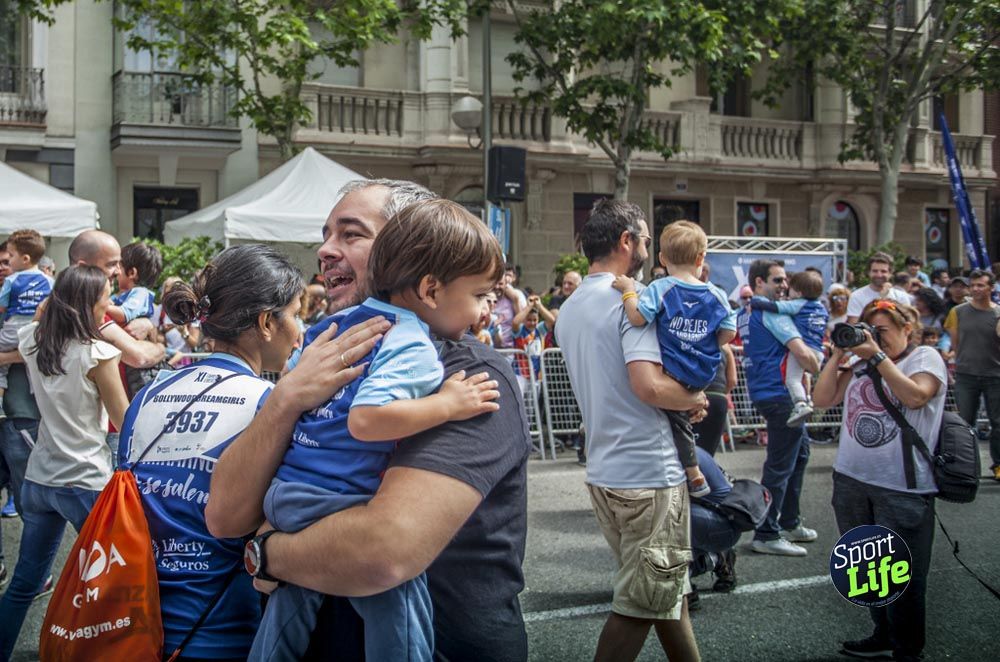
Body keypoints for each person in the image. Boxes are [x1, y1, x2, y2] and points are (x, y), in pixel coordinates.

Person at [207, 179, 531, 662]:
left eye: (351, 234)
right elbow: (225, 515)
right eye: (327, 234)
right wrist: (285, 399)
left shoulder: (467, 376)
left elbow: (382, 552)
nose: (325, 250)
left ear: (411, 251)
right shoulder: (324, 353)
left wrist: (268, 554)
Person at [118, 245, 366, 660]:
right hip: (228, 629)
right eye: (296, 312)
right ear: (267, 322)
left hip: (134, 621)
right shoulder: (273, 406)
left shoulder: (149, 395)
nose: (301, 329)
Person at [556, 199, 705, 662]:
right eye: (644, 238)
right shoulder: (633, 299)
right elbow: (648, 385)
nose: (647, 246)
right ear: (626, 242)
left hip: (607, 469)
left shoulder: (573, 302)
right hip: (648, 470)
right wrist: (693, 398)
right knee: (642, 603)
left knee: (667, 593)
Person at [0, 266, 129, 659]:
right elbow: (124, 420)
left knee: (25, 582)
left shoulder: (32, 342)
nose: (110, 306)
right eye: (106, 298)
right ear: (87, 305)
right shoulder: (96, 353)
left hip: (41, 478)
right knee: (111, 585)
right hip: (86, 478)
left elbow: (40, 315)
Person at [813, 299, 945, 662]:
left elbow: (916, 396)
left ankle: (907, 649)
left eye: (882, 331)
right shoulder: (858, 363)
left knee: (904, 574)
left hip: (902, 485)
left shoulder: (925, 358)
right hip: (852, 480)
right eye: (870, 331)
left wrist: (877, 357)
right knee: (866, 568)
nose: (875, 339)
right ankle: (882, 634)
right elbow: (822, 398)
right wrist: (839, 353)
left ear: (907, 328)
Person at [614, 220, 736, 497]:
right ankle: (692, 410)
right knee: (686, 410)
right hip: (704, 372)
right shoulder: (716, 293)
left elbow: (636, 317)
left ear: (662, 258)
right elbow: (729, 331)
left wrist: (628, 291)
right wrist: (705, 343)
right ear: (701, 258)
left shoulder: (661, 288)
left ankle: (694, 475)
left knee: (674, 419)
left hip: (674, 371)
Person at [738, 259, 821, 556]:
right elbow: (807, 357)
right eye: (778, 281)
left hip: (767, 392)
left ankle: (789, 521)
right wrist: (821, 360)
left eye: (785, 280)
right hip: (781, 395)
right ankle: (767, 532)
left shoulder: (744, 313)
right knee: (780, 465)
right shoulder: (774, 315)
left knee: (800, 454)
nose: (785, 286)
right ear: (759, 283)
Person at [749, 270, 828, 426]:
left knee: (792, 379)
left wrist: (755, 302)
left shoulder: (798, 304)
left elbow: (775, 307)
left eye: (790, 288)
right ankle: (808, 401)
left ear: (798, 292)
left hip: (804, 348)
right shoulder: (821, 307)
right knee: (803, 377)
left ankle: (800, 405)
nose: (786, 289)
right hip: (818, 350)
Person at [943, 268, 1000, 481]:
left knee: (998, 422)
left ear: (991, 288)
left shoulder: (998, 313)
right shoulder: (957, 312)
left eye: (981, 285)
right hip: (966, 375)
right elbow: (955, 344)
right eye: (973, 285)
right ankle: (966, 468)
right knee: (965, 423)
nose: (975, 289)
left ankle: (998, 465)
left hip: (995, 375)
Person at [0, 230, 53, 412]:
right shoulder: (49, 281)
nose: (8, 261)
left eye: (10, 256)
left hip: (12, 329)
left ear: (25, 259)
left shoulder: (11, 281)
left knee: (1, 367)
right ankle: (39, 396)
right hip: (37, 330)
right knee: (37, 366)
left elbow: (1, 306)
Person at [687, 447, 742, 604]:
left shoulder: (674, 448)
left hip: (721, 523)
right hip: (717, 517)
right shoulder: (680, 441)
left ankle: (684, 588)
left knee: (659, 516)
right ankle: (713, 559)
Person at [107, 241, 162, 326]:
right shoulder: (120, 294)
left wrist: (101, 306)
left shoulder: (140, 293)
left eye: (119, 266)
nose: (116, 271)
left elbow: (124, 314)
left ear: (132, 273)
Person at [846, 252, 910, 323]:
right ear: (869, 272)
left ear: (890, 274)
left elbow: (906, 323)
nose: (879, 275)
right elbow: (854, 325)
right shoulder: (856, 296)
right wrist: (880, 298)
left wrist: (886, 297)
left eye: (883, 271)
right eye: (875, 271)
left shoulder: (901, 297)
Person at [510, 294, 555, 380]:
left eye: (535, 320)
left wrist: (539, 306)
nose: (532, 323)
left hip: (536, 373)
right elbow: (515, 322)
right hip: (520, 372)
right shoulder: (520, 329)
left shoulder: (539, 329)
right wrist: (528, 307)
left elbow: (552, 320)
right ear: (524, 320)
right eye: (529, 320)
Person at [492, 265, 527, 348]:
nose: (497, 287)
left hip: (511, 349)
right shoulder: (487, 298)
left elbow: (521, 323)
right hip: (491, 348)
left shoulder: (514, 296)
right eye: (495, 283)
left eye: (500, 284)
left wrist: (515, 299)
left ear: (505, 285)